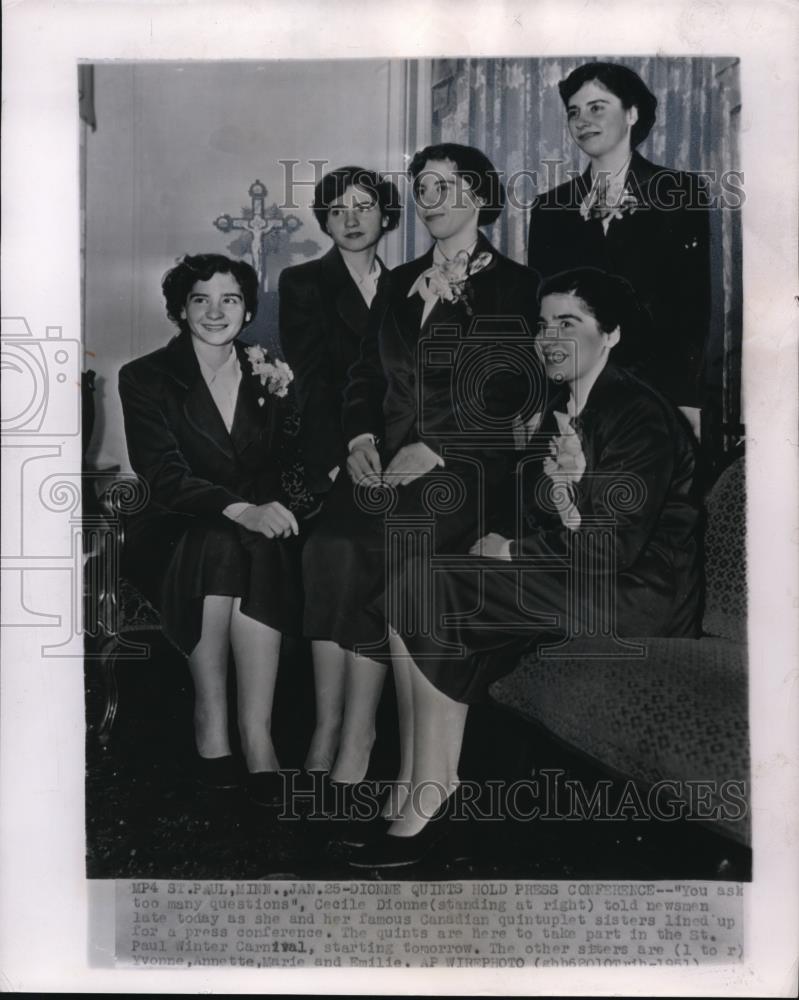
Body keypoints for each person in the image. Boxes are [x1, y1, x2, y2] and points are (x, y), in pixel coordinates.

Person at [346, 266, 702, 868]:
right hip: (585, 577)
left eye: (570, 323)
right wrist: (510, 536)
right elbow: (536, 510)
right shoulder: (565, 406)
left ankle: (433, 794)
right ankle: (415, 779)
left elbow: (612, 550)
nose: (549, 338)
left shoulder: (639, 413)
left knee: (436, 587)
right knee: (417, 581)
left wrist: (511, 552)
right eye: (542, 325)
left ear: (610, 335)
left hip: (641, 596)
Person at [301, 143, 542, 795]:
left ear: (478, 195)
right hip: (383, 464)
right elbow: (362, 375)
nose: (430, 202)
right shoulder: (397, 281)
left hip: (466, 468)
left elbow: (510, 392)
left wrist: (435, 448)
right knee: (333, 545)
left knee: (400, 541)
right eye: (422, 190)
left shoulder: (518, 286)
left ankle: (418, 765)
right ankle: (352, 730)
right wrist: (357, 439)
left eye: (444, 187)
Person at [118, 253, 301, 805]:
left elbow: (289, 459)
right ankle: (211, 720)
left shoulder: (270, 368)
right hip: (172, 525)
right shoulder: (144, 376)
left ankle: (257, 731)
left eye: (230, 299)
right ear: (180, 309)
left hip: (249, 521)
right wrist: (241, 509)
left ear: (247, 310)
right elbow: (164, 474)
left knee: (256, 544)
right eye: (201, 299)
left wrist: (279, 505)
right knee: (223, 541)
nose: (216, 311)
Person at [527, 61, 710, 434]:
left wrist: (686, 399)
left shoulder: (679, 193)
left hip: (655, 393)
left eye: (597, 107)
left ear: (631, 114)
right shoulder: (550, 208)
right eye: (573, 112)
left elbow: (692, 308)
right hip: (573, 395)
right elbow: (544, 317)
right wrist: (542, 401)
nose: (582, 121)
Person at [279, 166, 400, 497]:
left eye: (363, 208)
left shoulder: (404, 287)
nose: (351, 221)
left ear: (387, 217)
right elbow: (311, 380)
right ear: (326, 224)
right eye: (337, 211)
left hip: (400, 449)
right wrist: (335, 463)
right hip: (335, 453)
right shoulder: (302, 283)